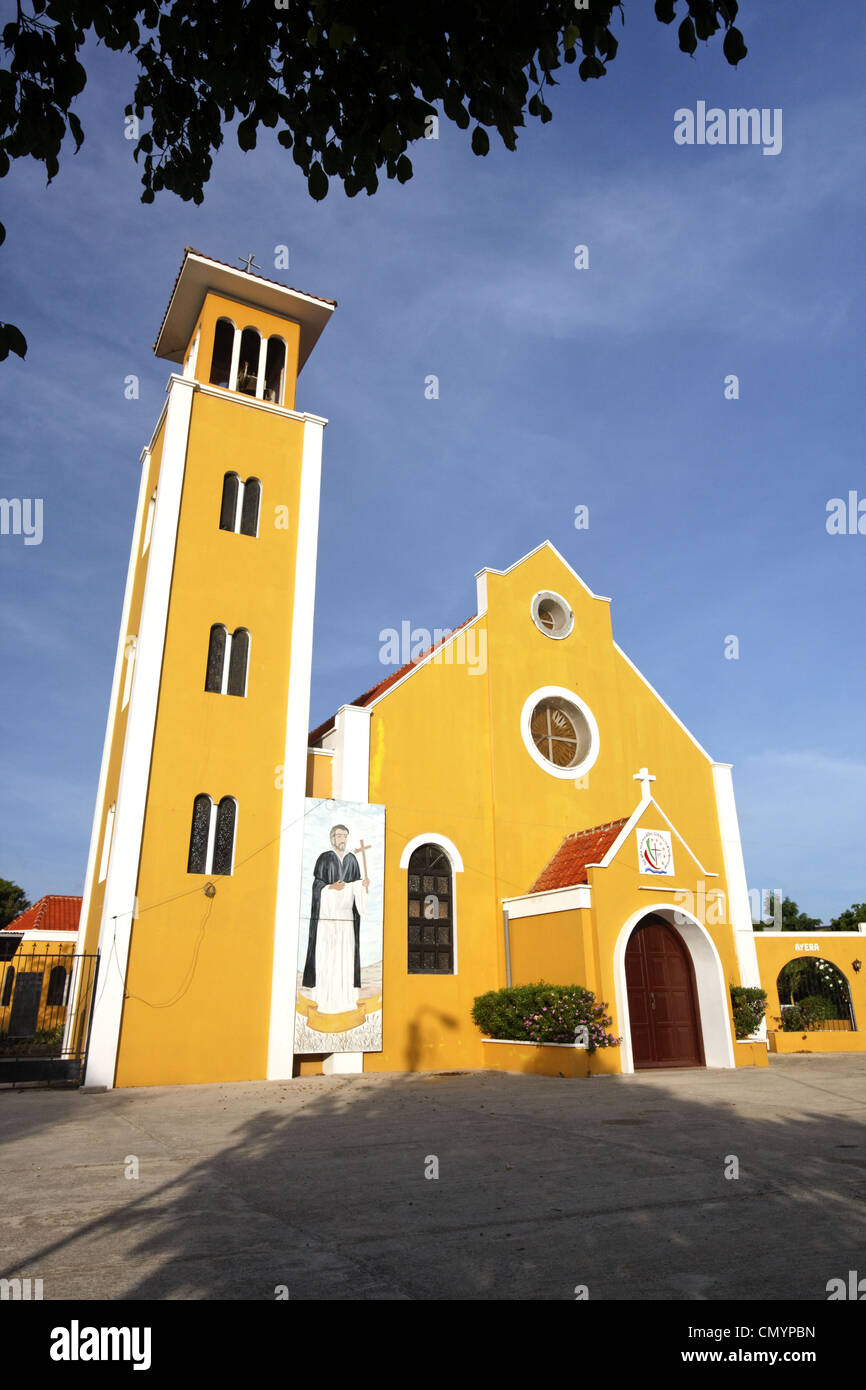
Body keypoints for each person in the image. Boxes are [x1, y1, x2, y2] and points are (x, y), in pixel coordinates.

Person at [302, 824, 370, 1015]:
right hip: (327, 921)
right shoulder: (324, 858)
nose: (342, 839)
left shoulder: (352, 859)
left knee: (345, 958)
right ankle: (324, 1002)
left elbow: (356, 887)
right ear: (332, 838)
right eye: (339, 836)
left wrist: (363, 886)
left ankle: (347, 1003)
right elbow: (317, 886)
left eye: (345, 836)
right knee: (327, 959)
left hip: (347, 921)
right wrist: (331, 888)